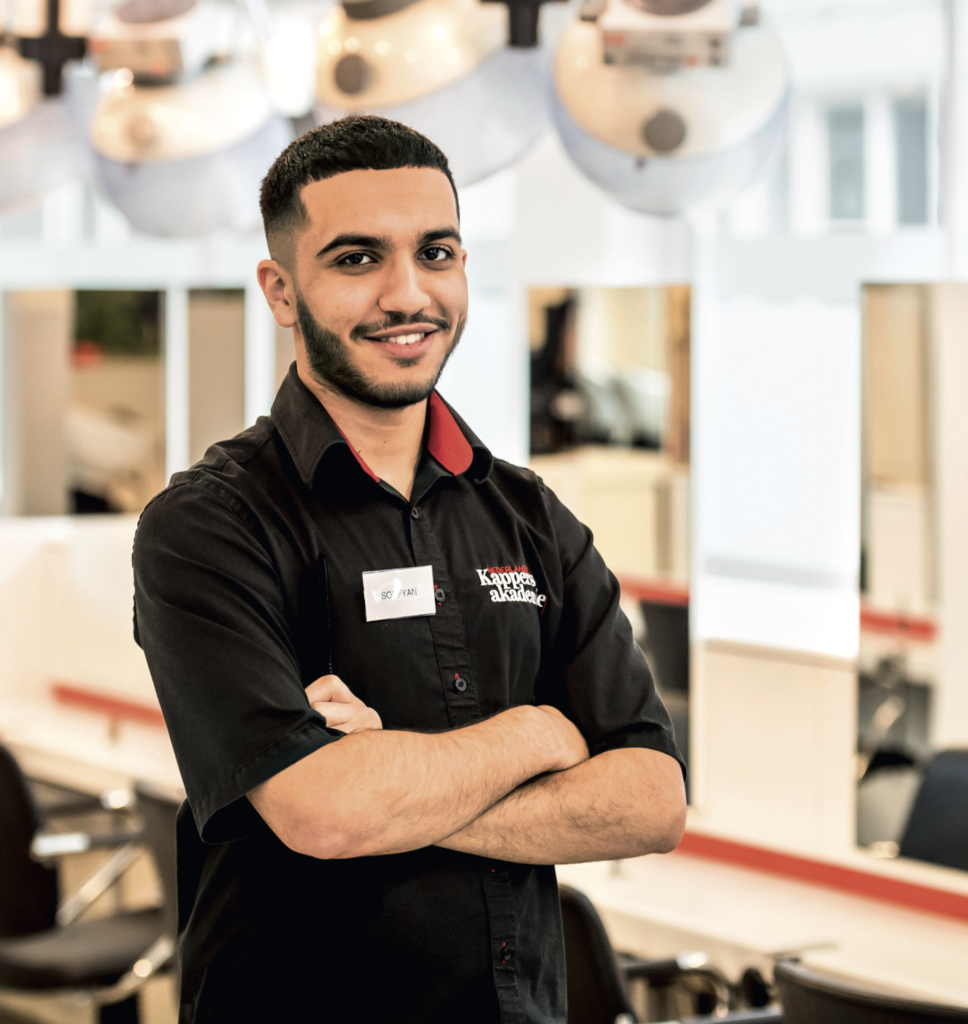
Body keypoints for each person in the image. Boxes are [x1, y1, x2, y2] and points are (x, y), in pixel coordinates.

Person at [132, 115, 686, 1024]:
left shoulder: (531, 517)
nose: (407, 294)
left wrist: (393, 787)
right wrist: (538, 735)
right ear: (280, 290)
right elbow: (324, 816)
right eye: (356, 260)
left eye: (436, 253)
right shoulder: (209, 526)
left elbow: (651, 801)